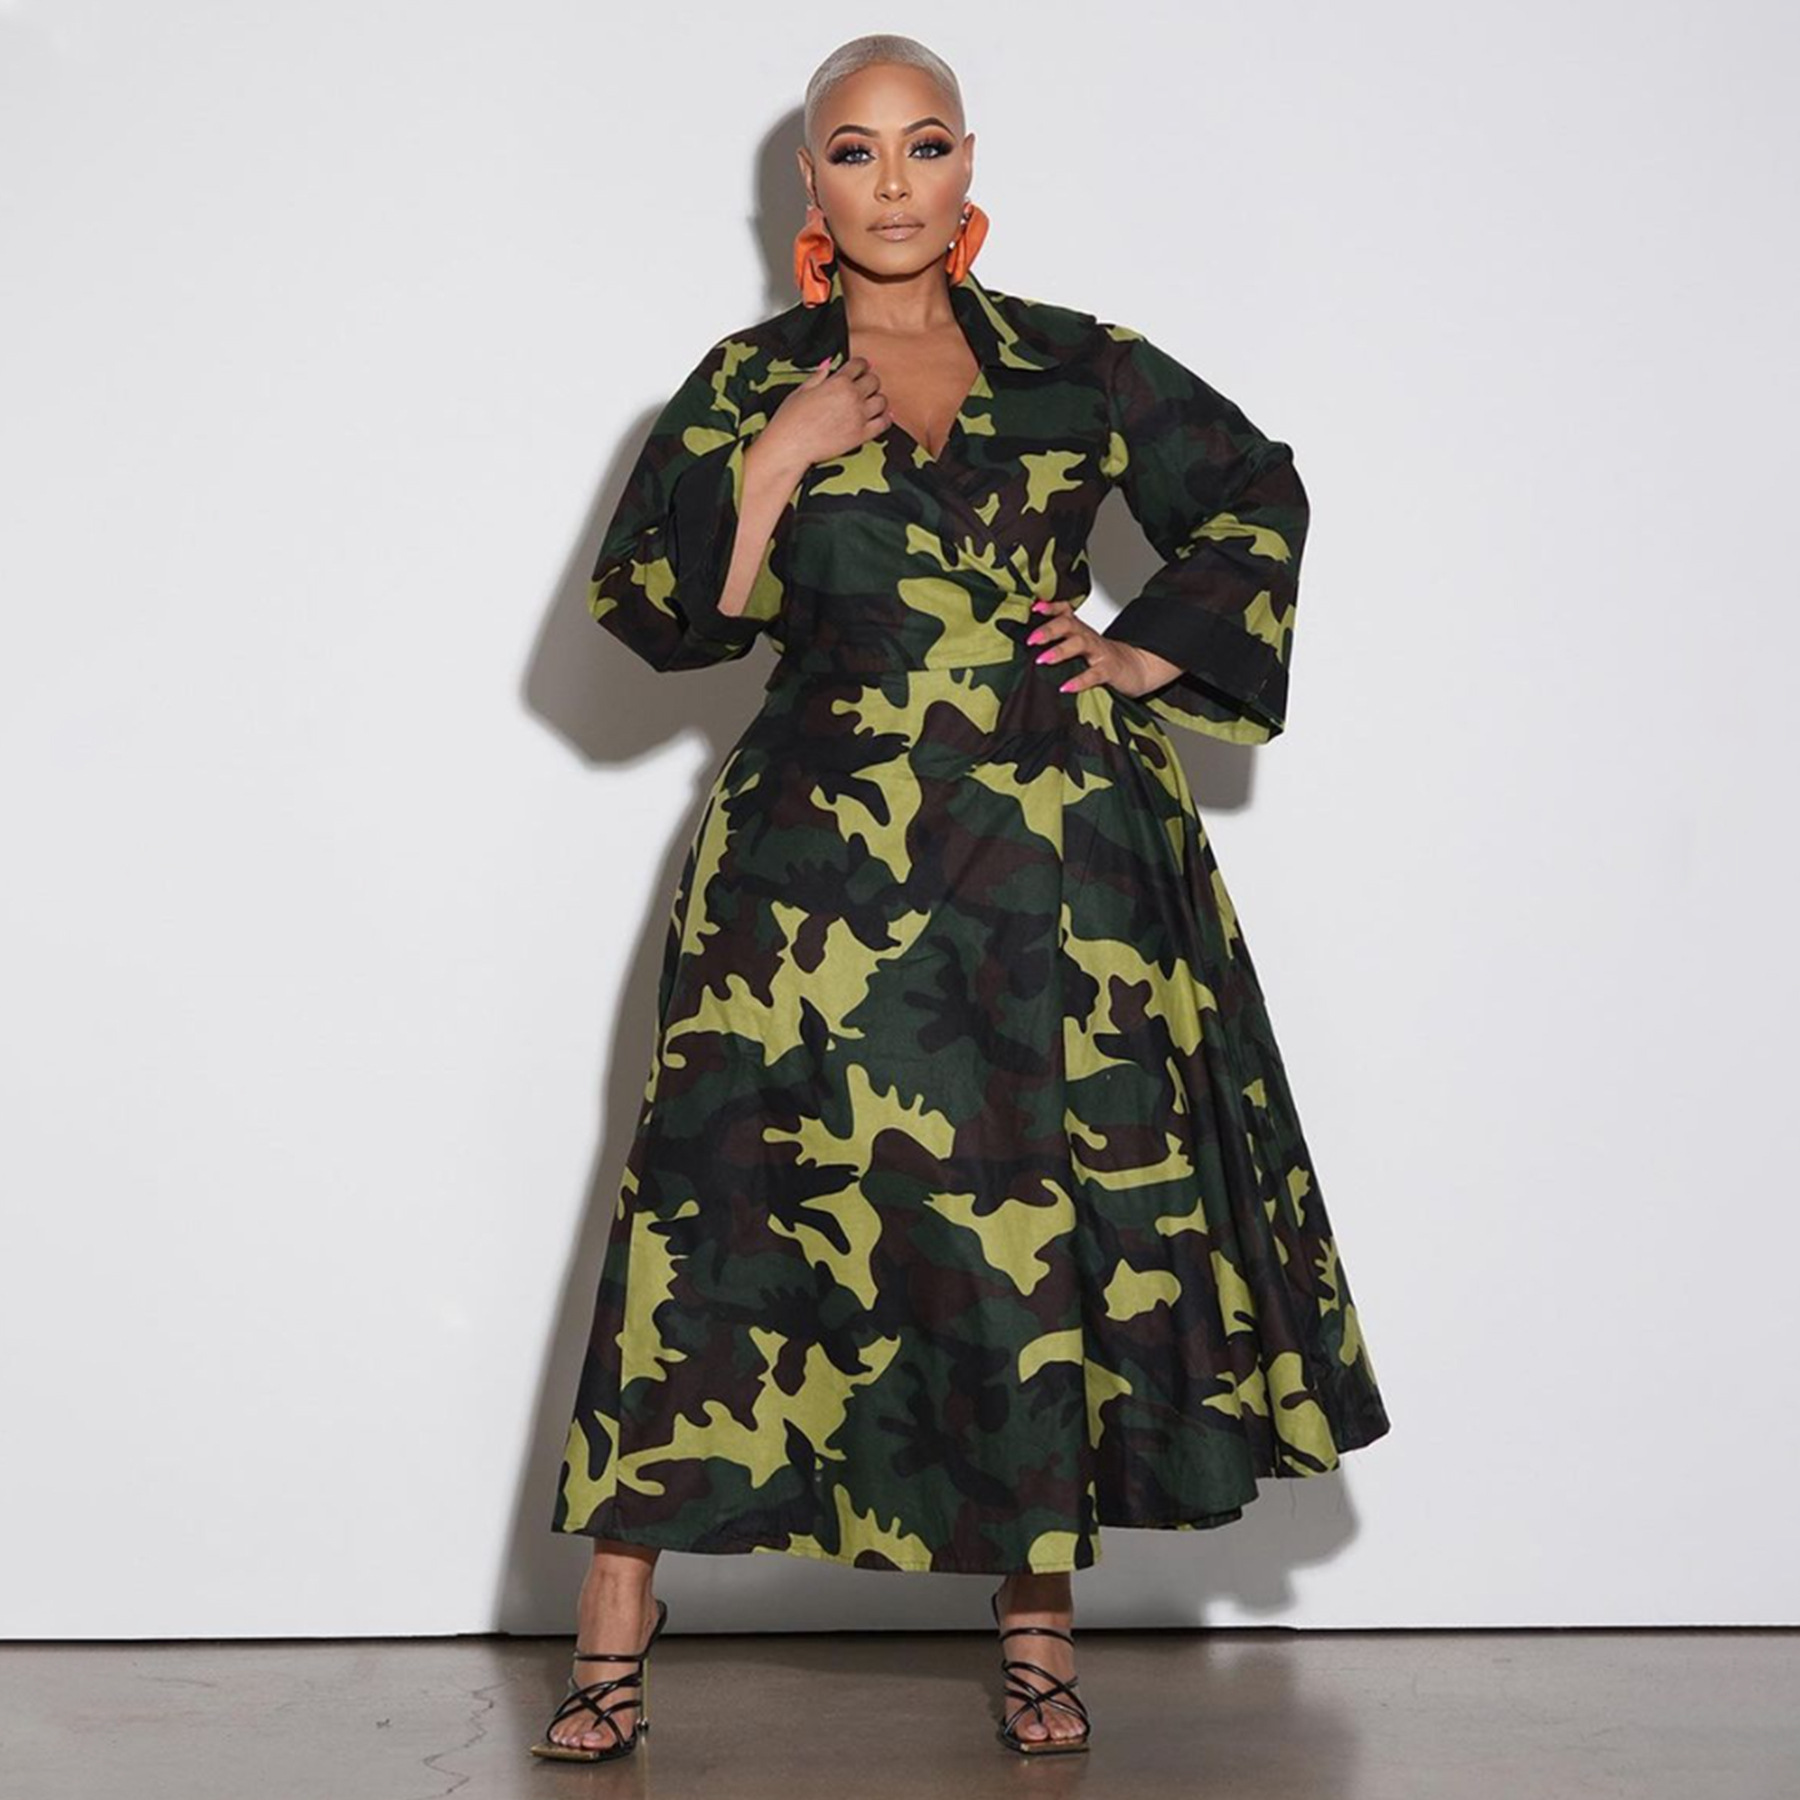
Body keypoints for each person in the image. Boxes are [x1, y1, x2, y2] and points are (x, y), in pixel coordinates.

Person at [532, 32, 1392, 1764]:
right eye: (855, 152)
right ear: (811, 183)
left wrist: (1143, 649)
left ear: (968, 164)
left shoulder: (1077, 365)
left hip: (1054, 865)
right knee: (718, 1215)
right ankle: (617, 1620)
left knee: (1031, 1217)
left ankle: (1037, 1632)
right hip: (811, 877)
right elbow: (664, 618)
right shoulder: (746, 380)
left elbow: (1256, 486)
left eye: (924, 145)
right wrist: (772, 462)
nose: (894, 182)